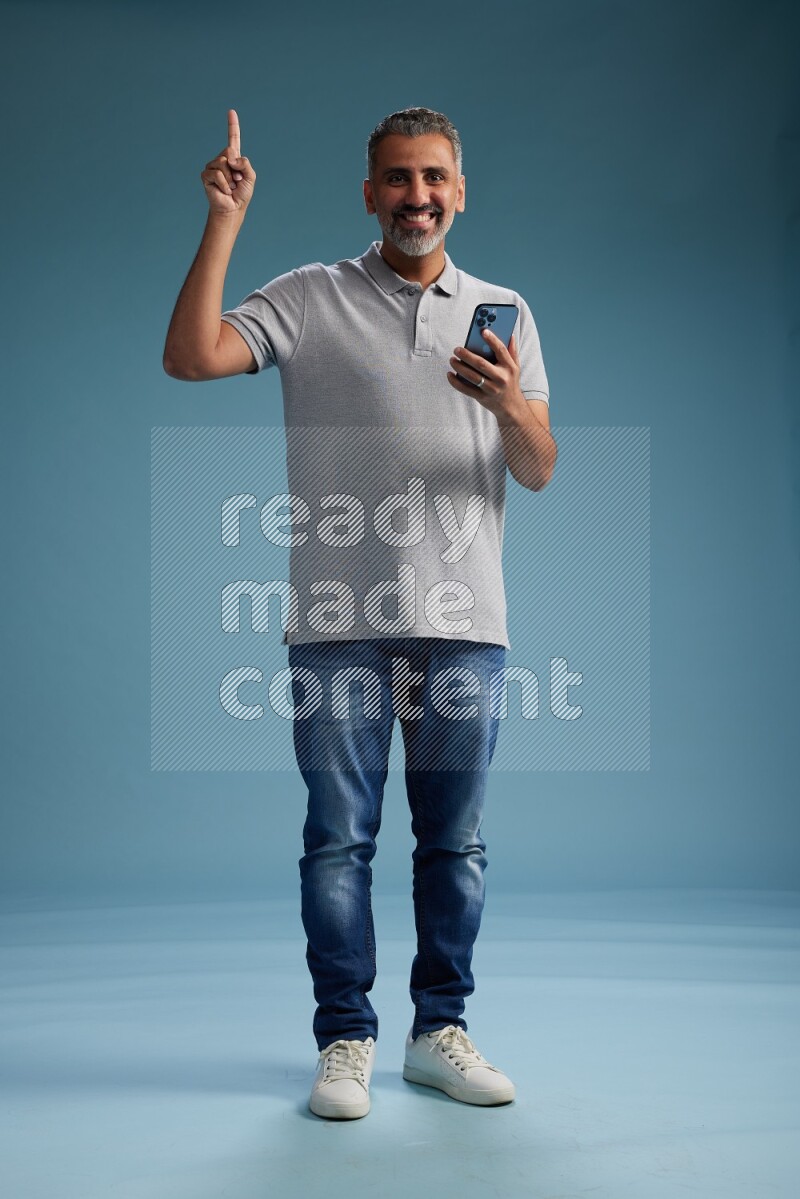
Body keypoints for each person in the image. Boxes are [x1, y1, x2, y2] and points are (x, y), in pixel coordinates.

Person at [163, 106, 557, 1120]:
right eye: (395, 178)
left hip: (466, 620)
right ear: (369, 193)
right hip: (336, 620)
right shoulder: (309, 296)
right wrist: (221, 221)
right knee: (338, 839)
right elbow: (192, 355)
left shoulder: (504, 309)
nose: (415, 195)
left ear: (457, 192)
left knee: (453, 842)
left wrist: (511, 405)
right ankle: (345, 1038)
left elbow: (538, 467)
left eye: (432, 177)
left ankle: (438, 1032)